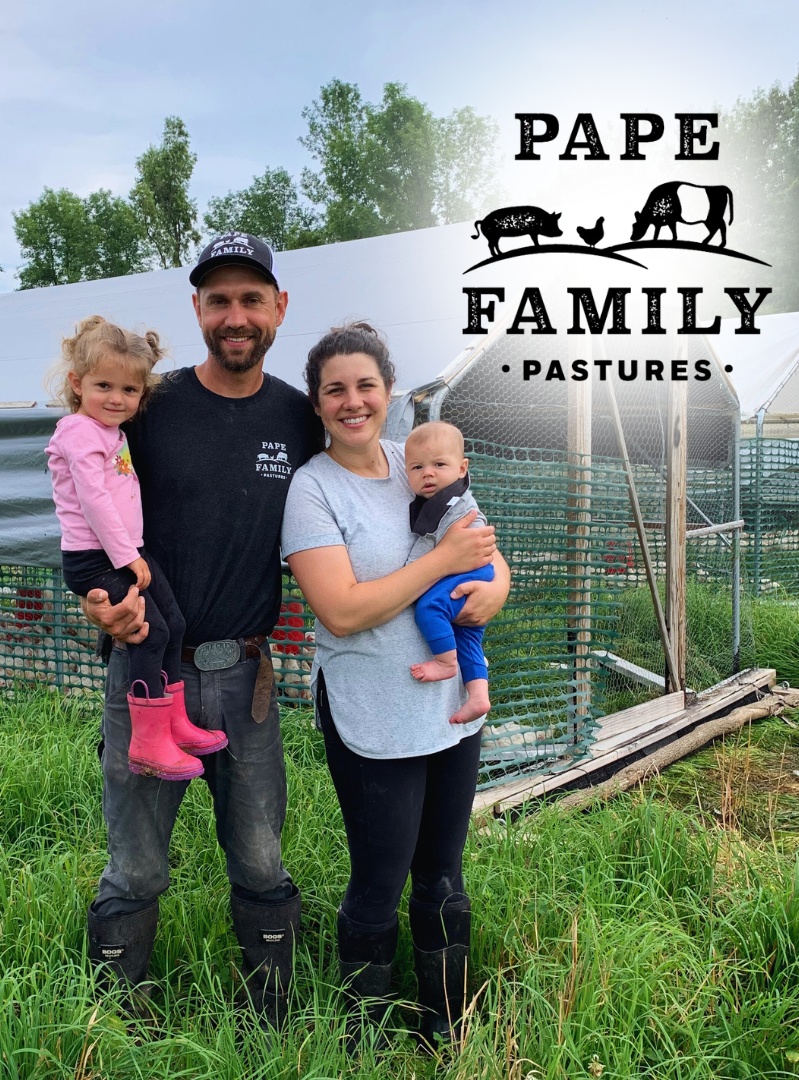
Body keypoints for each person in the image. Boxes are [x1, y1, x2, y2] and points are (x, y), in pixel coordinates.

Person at [78, 233, 322, 1026]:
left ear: (278, 308)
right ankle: (114, 1027)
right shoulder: (151, 408)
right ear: (197, 311)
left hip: (247, 680)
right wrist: (95, 596)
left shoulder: (298, 416)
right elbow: (84, 502)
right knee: (137, 867)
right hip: (152, 674)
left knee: (259, 859)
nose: (235, 315)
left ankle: (274, 1021)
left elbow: (361, 494)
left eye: (252, 298)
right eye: (218, 299)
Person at [280, 323, 510, 1048]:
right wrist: (443, 561)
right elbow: (342, 611)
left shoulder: (420, 457)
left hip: (449, 708)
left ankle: (447, 1018)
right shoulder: (312, 489)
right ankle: (365, 1032)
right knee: (379, 877)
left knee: (443, 871)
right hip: (372, 711)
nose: (353, 402)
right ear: (316, 404)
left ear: (389, 391)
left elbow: (484, 546)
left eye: (365, 385)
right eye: (335, 390)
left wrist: (497, 586)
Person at [45, 317, 226, 783]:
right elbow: (94, 500)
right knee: (151, 633)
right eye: (104, 385)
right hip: (97, 557)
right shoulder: (79, 431)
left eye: (129, 390)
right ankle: (147, 741)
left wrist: (130, 551)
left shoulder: (113, 433)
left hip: (125, 551)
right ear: (76, 383)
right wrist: (128, 555)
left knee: (175, 624)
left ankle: (172, 722)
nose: (116, 398)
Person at [405, 420, 494, 726]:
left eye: (438, 464)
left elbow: (429, 545)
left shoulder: (449, 503)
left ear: (461, 468)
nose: (427, 473)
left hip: (470, 572)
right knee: (467, 637)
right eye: (416, 468)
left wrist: (407, 572)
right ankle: (479, 696)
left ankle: (445, 663)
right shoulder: (448, 497)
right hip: (476, 572)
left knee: (429, 608)